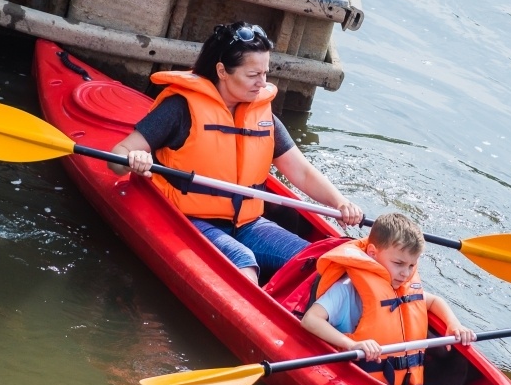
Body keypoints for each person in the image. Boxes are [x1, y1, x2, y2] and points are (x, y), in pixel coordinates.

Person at [108, 21, 363, 285]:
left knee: (319, 263)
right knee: (244, 266)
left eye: (265, 73)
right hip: (191, 222)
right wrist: (133, 159)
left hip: (249, 224)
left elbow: (302, 172)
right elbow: (119, 155)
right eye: (253, 75)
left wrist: (340, 202)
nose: (262, 83)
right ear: (222, 71)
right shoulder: (179, 109)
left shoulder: (264, 118)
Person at [301, 213, 475, 385]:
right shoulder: (346, 289)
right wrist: (352, 345)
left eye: (411, 265)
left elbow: (434, 302)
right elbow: (311, 319)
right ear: (372, 253)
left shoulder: (402, 289)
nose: (405, 273)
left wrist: (453, 323)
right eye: (398, 263)